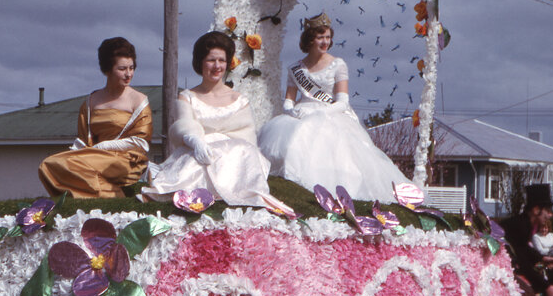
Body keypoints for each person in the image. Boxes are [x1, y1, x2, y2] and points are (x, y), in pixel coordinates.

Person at [257, 12, 410, 201]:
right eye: (320, 37)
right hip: (301, 114)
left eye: (328, 37)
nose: (325, 42)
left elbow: (342, 102)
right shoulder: (296, 69)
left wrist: (319, 113)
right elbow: (289, 99)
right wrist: (291, 110)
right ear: (310, 39)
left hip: (330, 113)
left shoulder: (338, 65)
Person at [141, 31, 293, 213]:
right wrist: (195, 141)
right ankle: (172, 189)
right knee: (195, 163)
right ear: (200, 62)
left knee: (240, 150)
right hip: (199, 152)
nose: (217, 66)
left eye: (221, 60)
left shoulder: (240, 100)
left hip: (235, 158)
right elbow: (184, 124)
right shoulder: (188, 97)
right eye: (211, 60)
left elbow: (247, 140)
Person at [38, 37, 152, 198]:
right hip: (93, 157)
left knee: (75, 164)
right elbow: (84, 141)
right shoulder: (91, 101)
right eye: (122, 69)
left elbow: (141, 142)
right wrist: (80, 152)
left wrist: (104, 146)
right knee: (48, 165)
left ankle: (110, 197)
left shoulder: (139, 100)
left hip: (126, 160)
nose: (128, 74)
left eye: (131, 68)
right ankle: (107, 195)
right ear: (107, 70)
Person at [503, 184, 553, 296]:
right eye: (547, 210)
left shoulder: (527, 224)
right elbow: (523, 262)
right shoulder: (521, 226)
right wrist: (548, 287)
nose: (550, 215)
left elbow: (523, 248)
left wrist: (541, 258)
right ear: (536, 210)